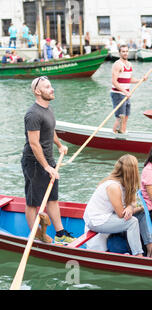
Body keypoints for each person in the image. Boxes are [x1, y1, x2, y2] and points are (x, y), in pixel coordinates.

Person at [21, 76, 75, 244]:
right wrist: (46, 167)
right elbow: (34, 143)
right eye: (47, 87)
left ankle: (60, 234)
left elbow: (50, 130)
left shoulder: (48, 109)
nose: (52, 89)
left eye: (51, 86)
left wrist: (59, 145)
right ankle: (36, 236)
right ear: (38, 91)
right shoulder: (33, 114)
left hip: (48, 161)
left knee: (52, 198)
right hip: (35, 163)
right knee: (33, 202)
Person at [83, 154, 152, 258]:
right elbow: (122, 214)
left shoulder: (123, 184)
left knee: (142, 214)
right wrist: (139, 207)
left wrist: (131, 207)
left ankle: (151, 250)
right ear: (132, 172)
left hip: (108, 216)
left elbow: (132, 202)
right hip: (97, 220)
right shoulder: (113, 186)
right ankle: (138, 255)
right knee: (132, 222)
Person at [111, 44, 147, 134]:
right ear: (119, 53)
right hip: (118, 94)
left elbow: (129, 79)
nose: (125, 53)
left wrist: (141, 80)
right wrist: (124, 92)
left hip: (126, 94)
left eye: (126, 51)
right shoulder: (117, 64)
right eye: (123, 51)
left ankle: (122, 132)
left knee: (126, 117)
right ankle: (114, 134)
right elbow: (114, 82)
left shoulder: (129, 64)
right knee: (120, 118)